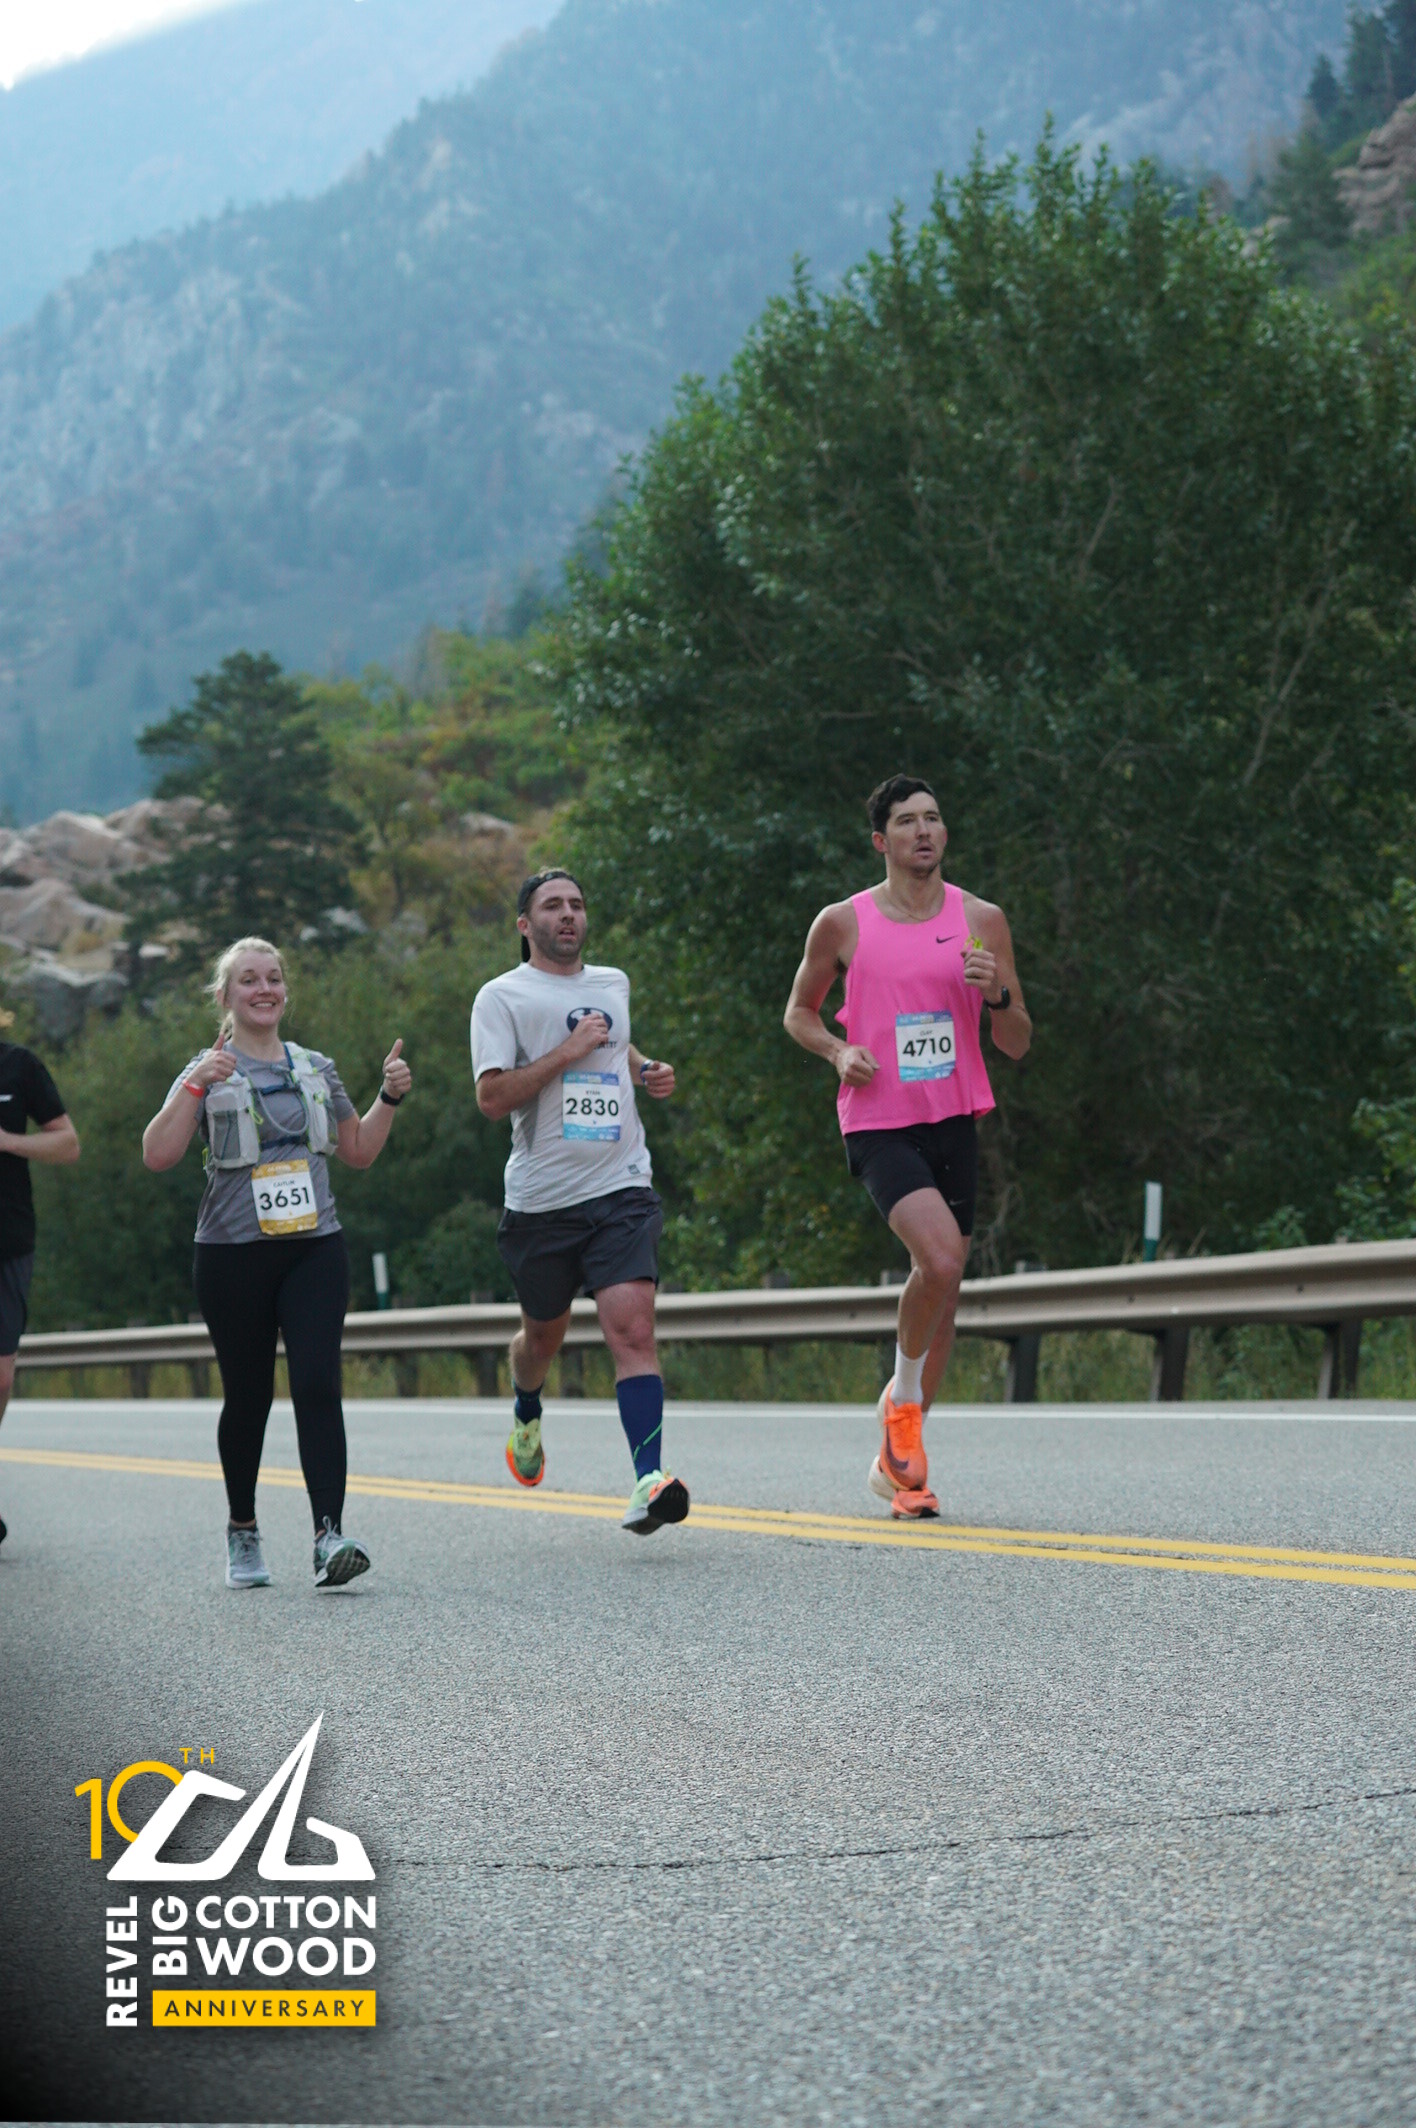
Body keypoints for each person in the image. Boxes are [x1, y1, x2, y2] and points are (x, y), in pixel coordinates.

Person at [784, 776, 1031, 1518]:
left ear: (945, 834)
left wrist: (997, 994)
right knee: (942, 1260)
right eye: (906, 822)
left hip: (953, 1117)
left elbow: (1017, 1042)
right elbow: (798, 1013)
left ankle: (904, 1470)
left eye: (933, 819)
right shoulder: (843, 922)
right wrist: (837, 1052)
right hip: (878, 1121)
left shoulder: (981, 919)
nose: (923, 831)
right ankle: (902, 1406)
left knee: (943, 1295)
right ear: (880, 841)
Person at [141, 936, 411, 1589]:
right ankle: (243, 1528)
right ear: (225, 996)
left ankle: (329, 1536)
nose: (264, 990)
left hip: (314, 1247)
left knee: (317, 1384)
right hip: (232, 1255)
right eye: (249, 980)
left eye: (273, 979)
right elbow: (157, 1154)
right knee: (250, 1396)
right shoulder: (205, 1069)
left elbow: (358, 1151)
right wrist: (194, 1086)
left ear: (285, 991)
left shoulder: (315, 1068)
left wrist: (389, 1097)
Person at [471, 869, 687, 1535]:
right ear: (524, 925)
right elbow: (492, 1098)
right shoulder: (501, 997)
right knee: (543, 1337)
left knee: (633, 1329)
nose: (567, 915)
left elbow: (614, 1043)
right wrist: (565, 1053)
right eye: (552, 906)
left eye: (576, 904)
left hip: (621, 1187)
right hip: (542, 1203)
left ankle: (648, 1480)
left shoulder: (612, 983)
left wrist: (644, 1069)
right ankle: (526, 1407)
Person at [0, 1012, 81, 1550]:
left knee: (1, 1380)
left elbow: (68, 1144)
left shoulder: (19, 1065)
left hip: (8, 1241)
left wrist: (8, 1141)